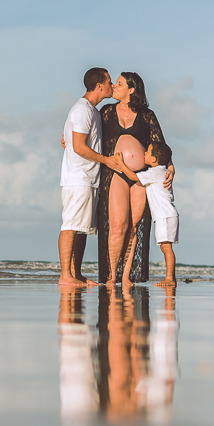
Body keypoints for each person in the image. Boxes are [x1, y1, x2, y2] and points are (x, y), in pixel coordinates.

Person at [59, 68, 139, 287]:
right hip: (78, 178)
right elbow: (78, 147)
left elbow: (75, 139)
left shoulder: (93, 111)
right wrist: (106, 160)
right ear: (100, 85)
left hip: (90, 179)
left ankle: (76, 274)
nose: (112, 85)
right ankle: (65, 275)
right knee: (70, 225)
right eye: (109, 81)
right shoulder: (82, 110)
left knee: (82, 228)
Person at [95, 72, 173, 285]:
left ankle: (127, 276)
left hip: (141, 178)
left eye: (119, 84)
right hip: (116, 174)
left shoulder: (147, 115)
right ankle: (111, 276)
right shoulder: (106, 112)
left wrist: (171, 166)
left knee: (134, 226)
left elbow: (161, 145)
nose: (114, 87)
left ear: (131, 89)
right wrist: (68, 138)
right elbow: (88, 132)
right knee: (118, 225)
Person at [136, 141, 179, 287]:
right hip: (166, 215)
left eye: (147, 152)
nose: (144, 154)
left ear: (154, 159)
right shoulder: (161, 171)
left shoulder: (154, 172)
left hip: (164, 215)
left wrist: (120, 164)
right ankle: (171, 277)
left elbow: (134, 177)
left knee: (166, 248)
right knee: (165, 247)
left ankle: (169, 278)